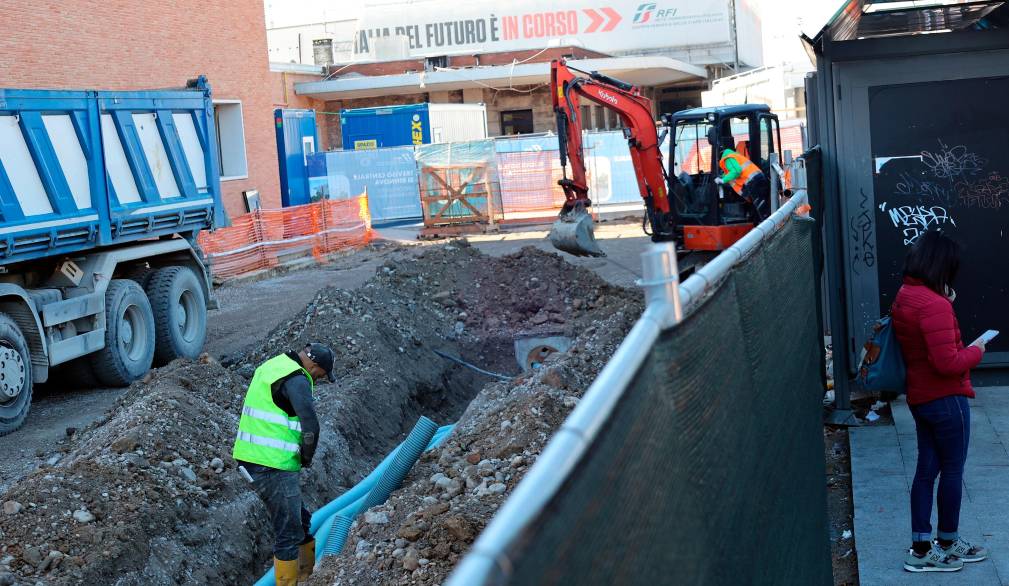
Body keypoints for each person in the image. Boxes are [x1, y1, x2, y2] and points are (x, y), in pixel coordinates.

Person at [891, 231, 987, 573]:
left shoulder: (906, 295)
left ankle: (921, 548)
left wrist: (944, 301)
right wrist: (977, 351)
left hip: (920, 397)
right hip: (947, 400)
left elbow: (925, 338)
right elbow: (948, 363)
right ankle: (947, 540)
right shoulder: (935, 305)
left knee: (925, 472)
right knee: (952, 470)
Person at [233, 343, 335, 585]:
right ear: (313, 365)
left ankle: (307, 577)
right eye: (320, 375)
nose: (318, 379)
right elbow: (310, 427)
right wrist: (306, 457)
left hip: (253, 458)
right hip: (271, 465)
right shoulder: (297, 379)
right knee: (289, 532)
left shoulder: (275, 365)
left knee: (301, 520)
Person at [713, 142, 770, 222]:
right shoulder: (734, 156)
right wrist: (722, 177)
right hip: (756, 181)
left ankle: (769, 227)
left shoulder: (727, 158)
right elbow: (732, 172)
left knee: (762, 212)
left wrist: (723, 180)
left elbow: (736, 171)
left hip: (753, 182)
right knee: (759, 211)